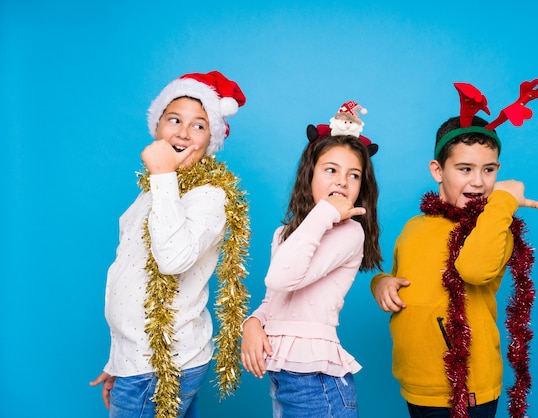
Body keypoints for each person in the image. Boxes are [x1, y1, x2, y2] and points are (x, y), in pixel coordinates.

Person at [371, 81, 538, 418]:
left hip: (468, 390)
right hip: (417, 384)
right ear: (437, 170)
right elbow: (399, 277)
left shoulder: (493, 226)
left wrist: (501, 206)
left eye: (489, 170)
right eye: (465, 169)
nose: (479, 182)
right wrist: (380, 283)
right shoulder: (414, 227)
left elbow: (473, 269)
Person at [90, 70, 250, 418]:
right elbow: (131, 277)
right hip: (140, 359)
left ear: (212, 140)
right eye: (174, 119)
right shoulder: (154, 192)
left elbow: (172, 260)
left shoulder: (208, 196)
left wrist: (163, 176)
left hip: (162, 364)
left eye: (198, 125)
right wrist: (120, 360)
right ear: (157, 127)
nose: (182, 132)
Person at [241, 101, 382, 418]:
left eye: (354, 175)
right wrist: (253, 322)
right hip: (284, 380)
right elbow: (275, 298)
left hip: (318, 386)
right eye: (331, 170)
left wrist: (326, 213)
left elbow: (282, 278)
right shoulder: (284, 235)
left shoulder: (349, 233)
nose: (342, 182)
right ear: (310, 175)